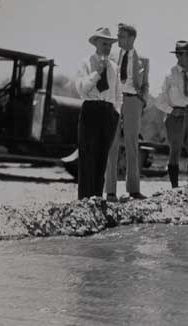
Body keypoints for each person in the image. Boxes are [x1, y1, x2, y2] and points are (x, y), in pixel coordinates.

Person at [74, 27, 121, 200]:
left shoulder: (114, 67)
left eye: (109, 44)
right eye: (104, 43)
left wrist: (117, 112)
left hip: (108, 112)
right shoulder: (86, 63)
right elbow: (81, 89)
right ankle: (84, 201)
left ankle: (96, 199)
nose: (107, 47)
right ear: (95, 43)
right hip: (91, 109)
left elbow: (118, 93)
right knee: (88, 156)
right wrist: (97, 74)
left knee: (102, 157)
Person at [104, 23, 148, 200]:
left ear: (131, 38)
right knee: (112, 144)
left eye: (121, 36)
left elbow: (145, 85)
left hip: (132, 101)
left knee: (132, 144)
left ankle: (134, 189)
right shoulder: (112, 56)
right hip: (115, 100)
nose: (118, 39)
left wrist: (141, 102)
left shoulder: (143, 60)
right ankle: (111, 191)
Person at [155, 41, 188, 188]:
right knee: (175, 150)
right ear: (178, 56)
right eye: (186, 54)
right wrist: (172, 111)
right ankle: (174, 187)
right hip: (175, 116)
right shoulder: (169, 75)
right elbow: (159, 99)